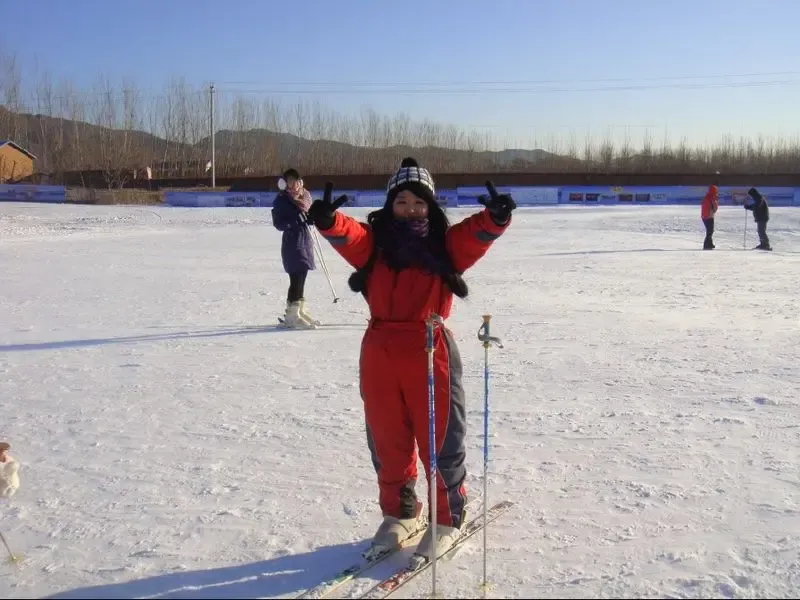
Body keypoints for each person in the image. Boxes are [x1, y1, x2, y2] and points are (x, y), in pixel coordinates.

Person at [306, 157, 516, 563]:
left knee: (439, 438)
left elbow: (475, 236)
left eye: (418, 203)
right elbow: (349, 235)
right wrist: (329, 220)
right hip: (380, 352)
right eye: (401, 202)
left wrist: (495, 218)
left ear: (430, 207)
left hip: (428, 348)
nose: (410, 209)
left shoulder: (445, 246)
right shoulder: (376, 246)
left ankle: (447, 517)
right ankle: (401, 513)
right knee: (388, 439)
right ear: (390, 206)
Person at [271, 169, 318, 328]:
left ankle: (299, 310)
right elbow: (279, 224)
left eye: (295, 181)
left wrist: (310, 219)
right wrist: (296, 220)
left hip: (305, 240)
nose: (292, 185)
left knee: (302, 276)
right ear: (283, 183)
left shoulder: (305, 197)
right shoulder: (282, 200)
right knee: (296, 278)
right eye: (289, 182)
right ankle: (292, 315)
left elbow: (308, 215)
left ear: (300, 182)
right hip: (292, 242)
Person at [701, 184, 719, 249]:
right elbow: (715, 208)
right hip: (709, 216)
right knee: (710, 231)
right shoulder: (712, 198)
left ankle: (710, 244)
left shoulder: (707, 196)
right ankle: (706, 245)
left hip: (704, 216)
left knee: (710, 231)